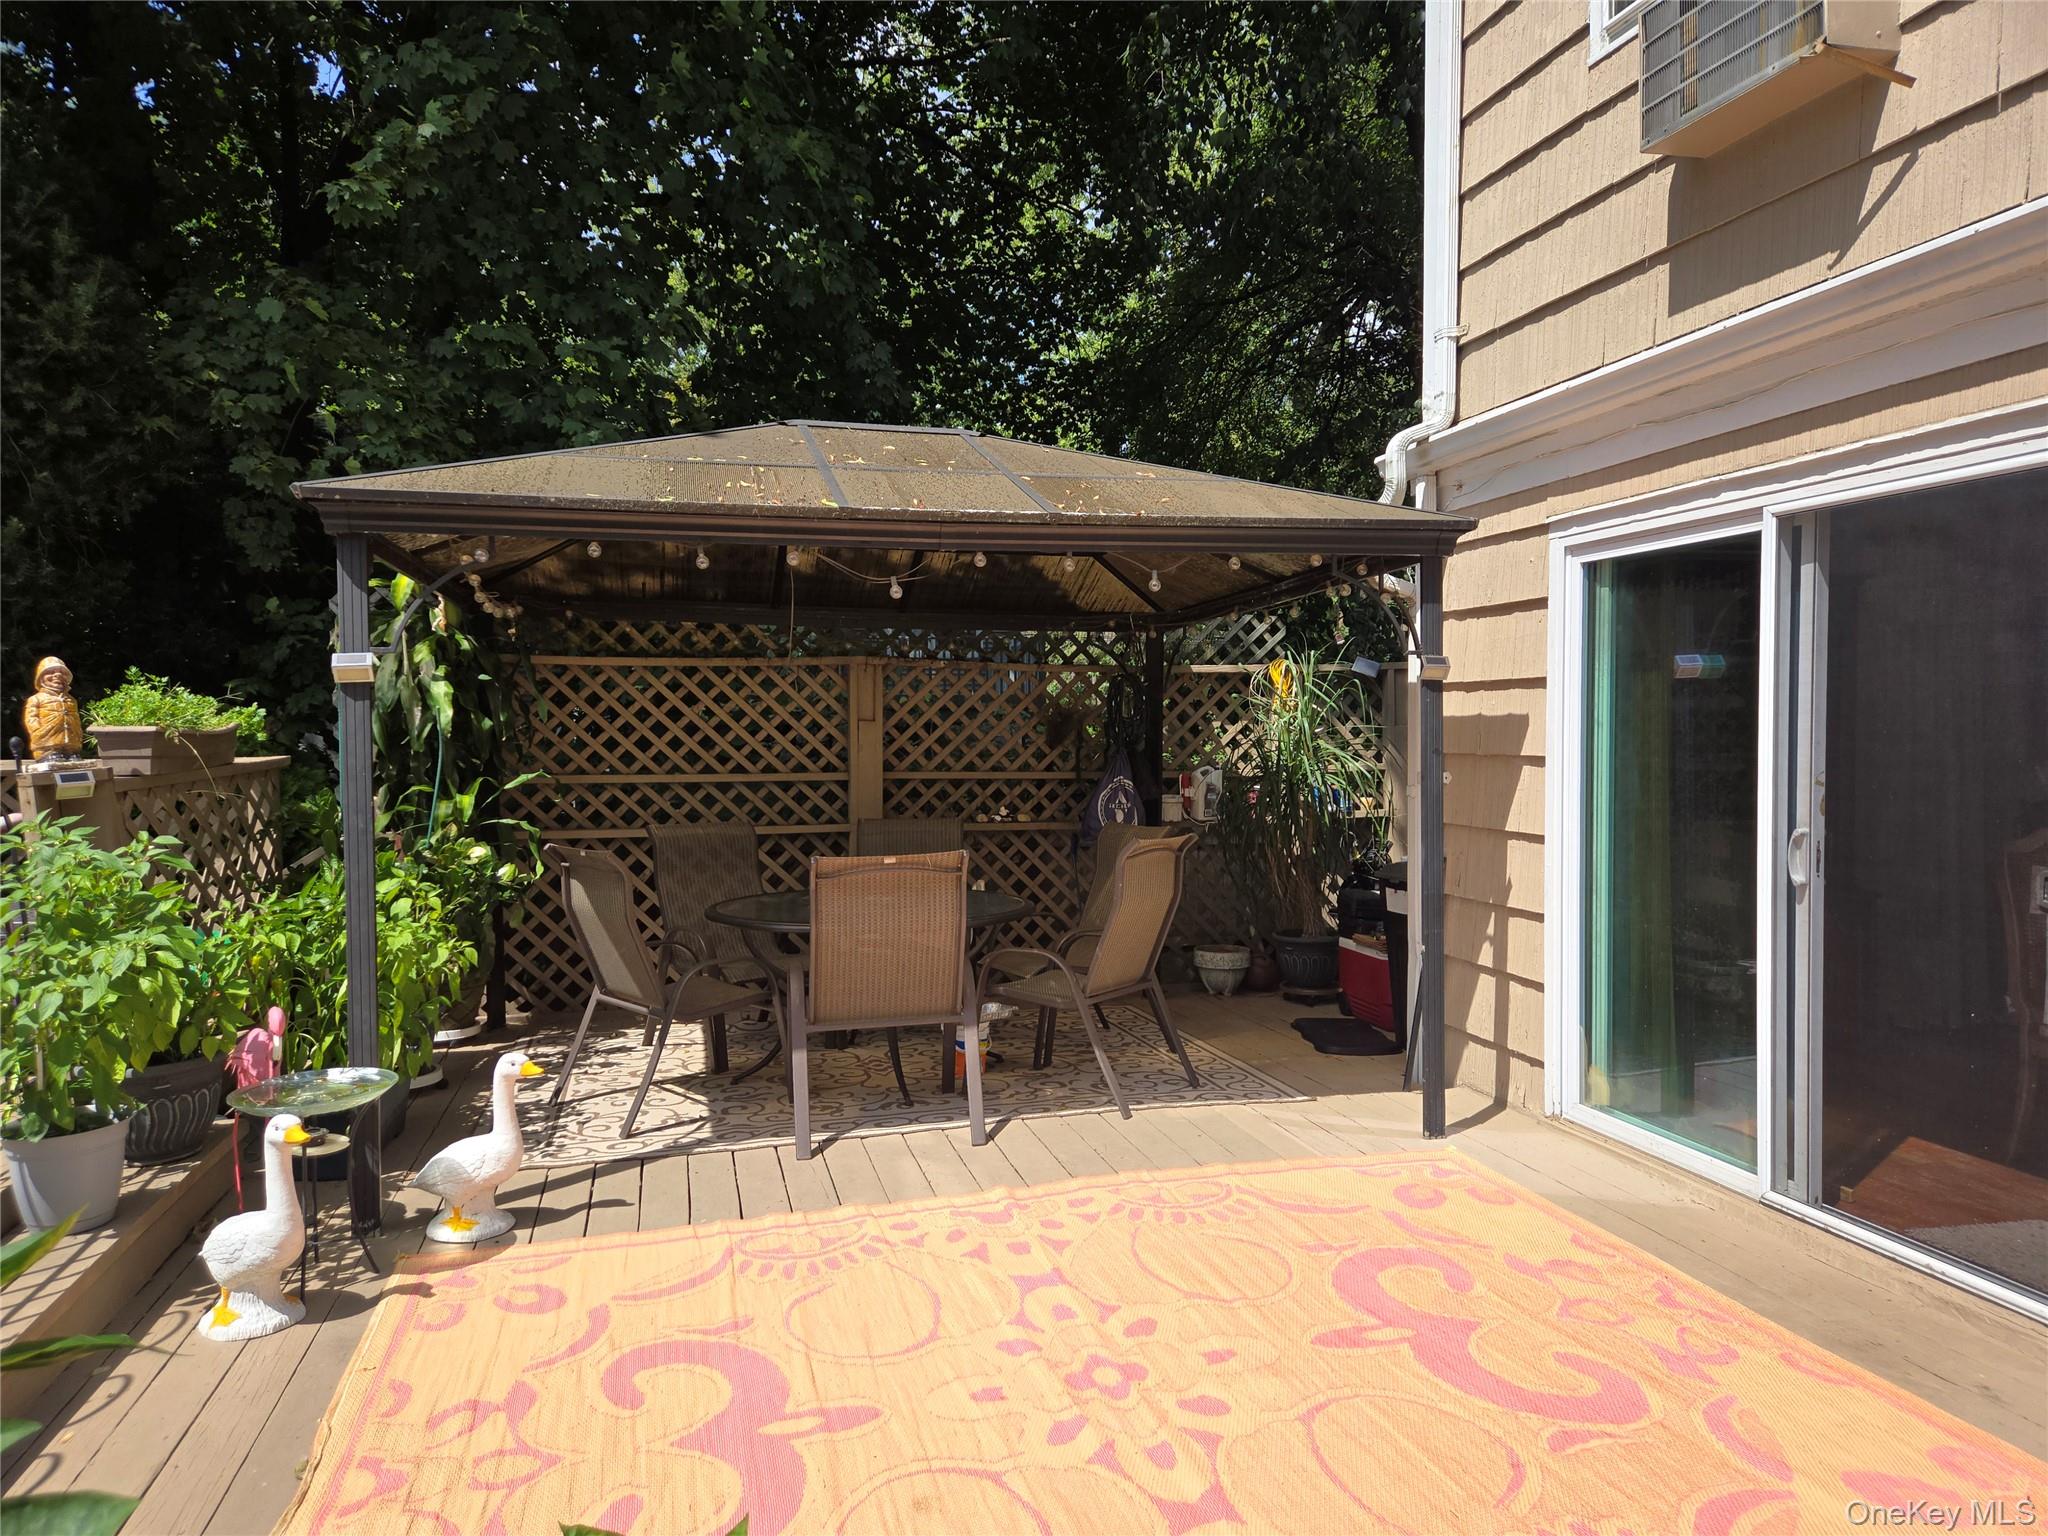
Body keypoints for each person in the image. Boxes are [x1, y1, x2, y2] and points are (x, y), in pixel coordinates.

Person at [21, 656, 81, 761]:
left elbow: (76, 718)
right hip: (46, 741)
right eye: (51, 672)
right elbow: (31, 718)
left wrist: (78, 733)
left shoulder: (71, 700)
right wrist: (38, 730)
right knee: (51, 754)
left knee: (72, 754)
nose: (57, 675)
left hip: (71, 739)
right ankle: (48, 753)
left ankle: (70, 752)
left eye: (61, 672)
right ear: (40, 678)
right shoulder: (36, 699)